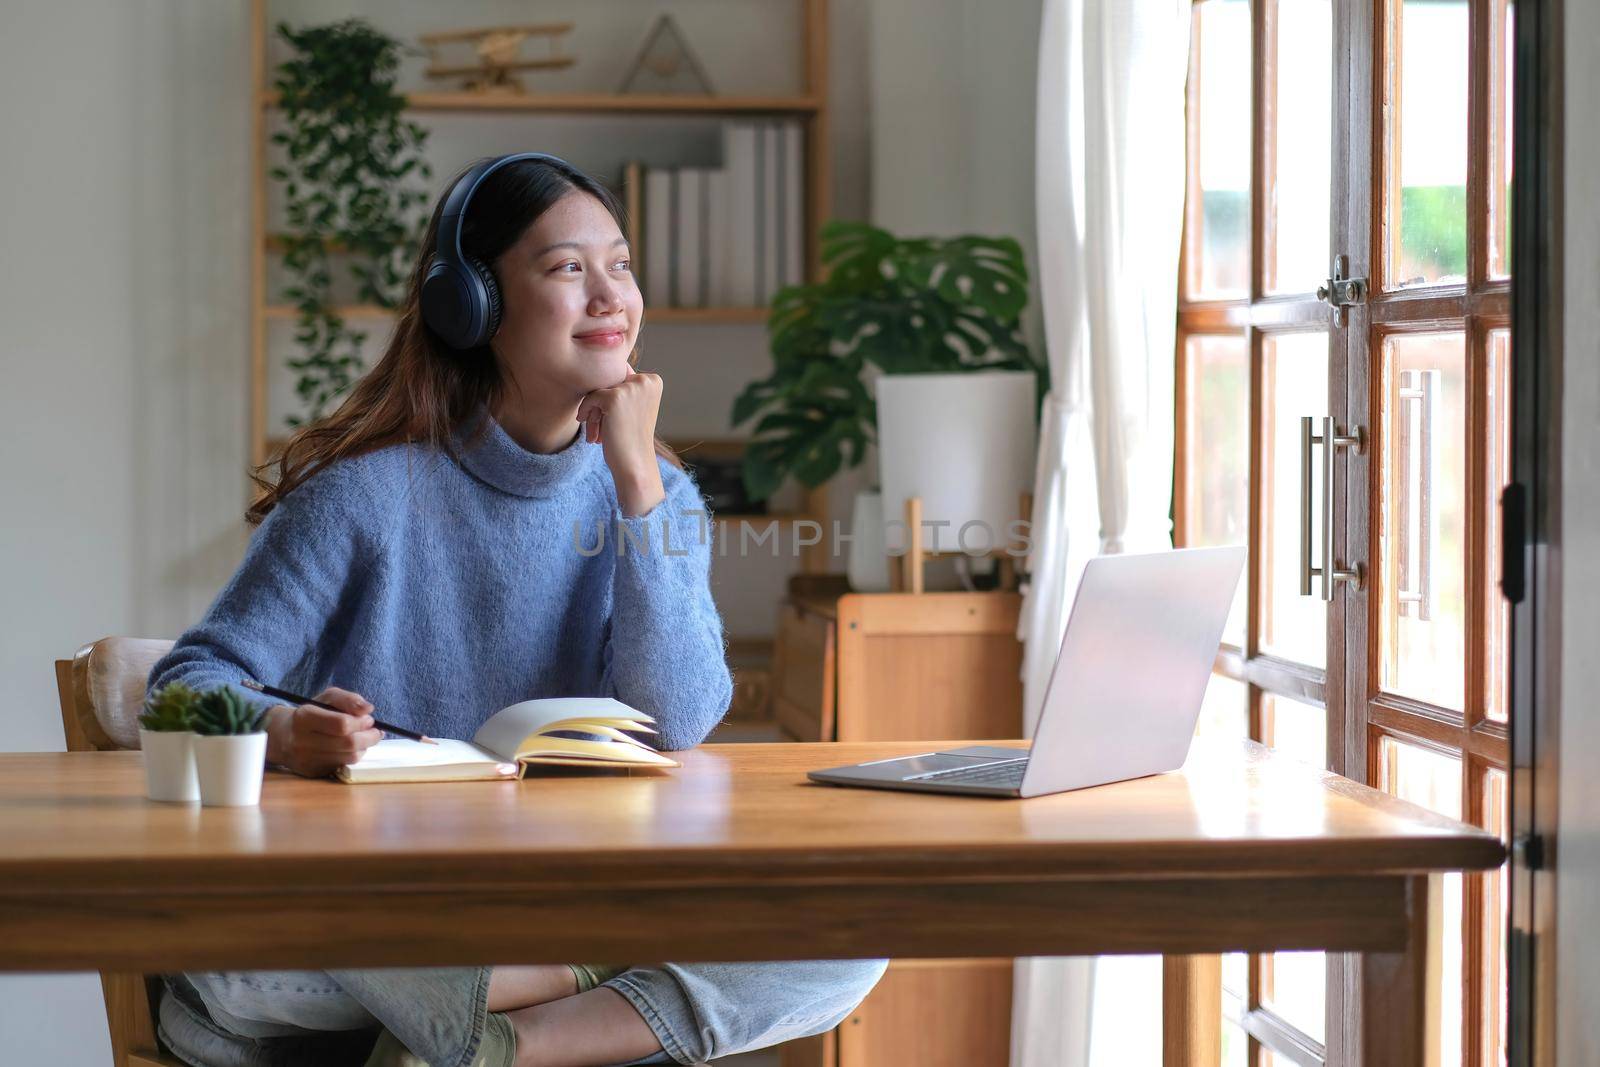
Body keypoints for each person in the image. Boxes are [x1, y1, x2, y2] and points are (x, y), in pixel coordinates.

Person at [146, 153, 887, 1067]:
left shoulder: (657, 496)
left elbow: (680, 719)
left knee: (853, 939)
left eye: (619, 263)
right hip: (386, 903)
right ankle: (560, 995)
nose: (610, 295)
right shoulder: (364, 499)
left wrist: (638, 483)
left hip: (557, 896)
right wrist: (290, 732)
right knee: (233, 980)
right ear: (475, 306)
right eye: (569, 268)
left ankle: (496, 1045)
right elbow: (183, 684)